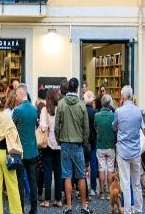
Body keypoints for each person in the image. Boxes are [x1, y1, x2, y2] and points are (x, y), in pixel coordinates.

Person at [55, 77, 92, 214]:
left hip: (65, 144)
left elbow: (57, 126)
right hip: (77, 145)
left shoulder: (61, 104)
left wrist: (59, 140)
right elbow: (86, 128)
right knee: (81, 176)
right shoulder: (82, 105)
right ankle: (83, 206)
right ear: (77, 89)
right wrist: (83, 141)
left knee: (67, 176)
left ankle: (69, 206)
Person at [112, 86, 143, 214]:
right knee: (137, 183)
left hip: (123, 151)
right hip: (136, 151)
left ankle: (128, 211)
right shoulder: (139, 111)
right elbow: (142, 127)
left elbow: (114, 127)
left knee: (125, 183)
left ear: (122, 97)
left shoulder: (119, 111)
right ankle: (139, 209)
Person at [12, 84, 38, 214]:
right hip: (32, 149)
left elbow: (12, 128)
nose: (15, 97)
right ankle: (34, 207)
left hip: (20, 151)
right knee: (32, 180)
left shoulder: (17, 111)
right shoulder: (34, 109)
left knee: (20, 181)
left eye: (16, 94)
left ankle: (21, 208)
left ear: (22, 94)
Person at [40, 88, 62, 208]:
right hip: (59, 144)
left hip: (47, 144)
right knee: (58, 172)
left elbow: (43, 126)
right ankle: (58, 199)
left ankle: (47, 200)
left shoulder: (45, 109)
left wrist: (47, 127)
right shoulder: (60, 108)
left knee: (47, 172)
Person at [94, 94, 117, 200]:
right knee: (111, 169)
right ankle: (109, 191)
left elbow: (96, 129)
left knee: (101, 168)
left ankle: (102, 193)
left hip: (100, 145)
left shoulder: (97, 115)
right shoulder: (113, 116)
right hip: (110, 145)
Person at [83, 90, 98, 197]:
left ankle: (82, 189)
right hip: (93, 142)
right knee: (93, 165)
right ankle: (93, 188)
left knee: (82, 166)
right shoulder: (95, 113)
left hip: (83, 142)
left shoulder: (81, 111)